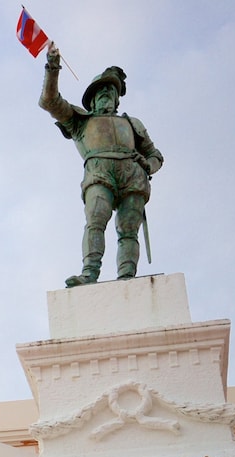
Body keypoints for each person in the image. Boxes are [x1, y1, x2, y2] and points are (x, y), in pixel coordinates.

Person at [39, 42, 164, 287]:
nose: (106, 93)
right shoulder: (80, 121)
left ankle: (127, 277)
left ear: (117, 99)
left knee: (128, 229)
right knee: (96, 220)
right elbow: (50, 102)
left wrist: (148, 166)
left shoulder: (132, 123)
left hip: (133, 176)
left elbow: (156, 155)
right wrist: (53, 67)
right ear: (92, 99)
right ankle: (89, 273)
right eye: (101, 91)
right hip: (99, 173)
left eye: (110, 90)